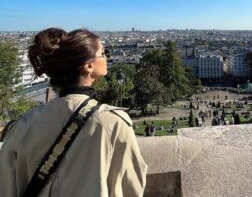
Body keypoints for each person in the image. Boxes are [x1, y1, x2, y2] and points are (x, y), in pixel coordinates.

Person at [0, 28, 147, 197]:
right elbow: (130, 188)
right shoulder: (113, 124)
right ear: (88, 66)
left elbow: (6, 188)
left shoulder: (21, 127)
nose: (107, 57)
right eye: (103, 53)